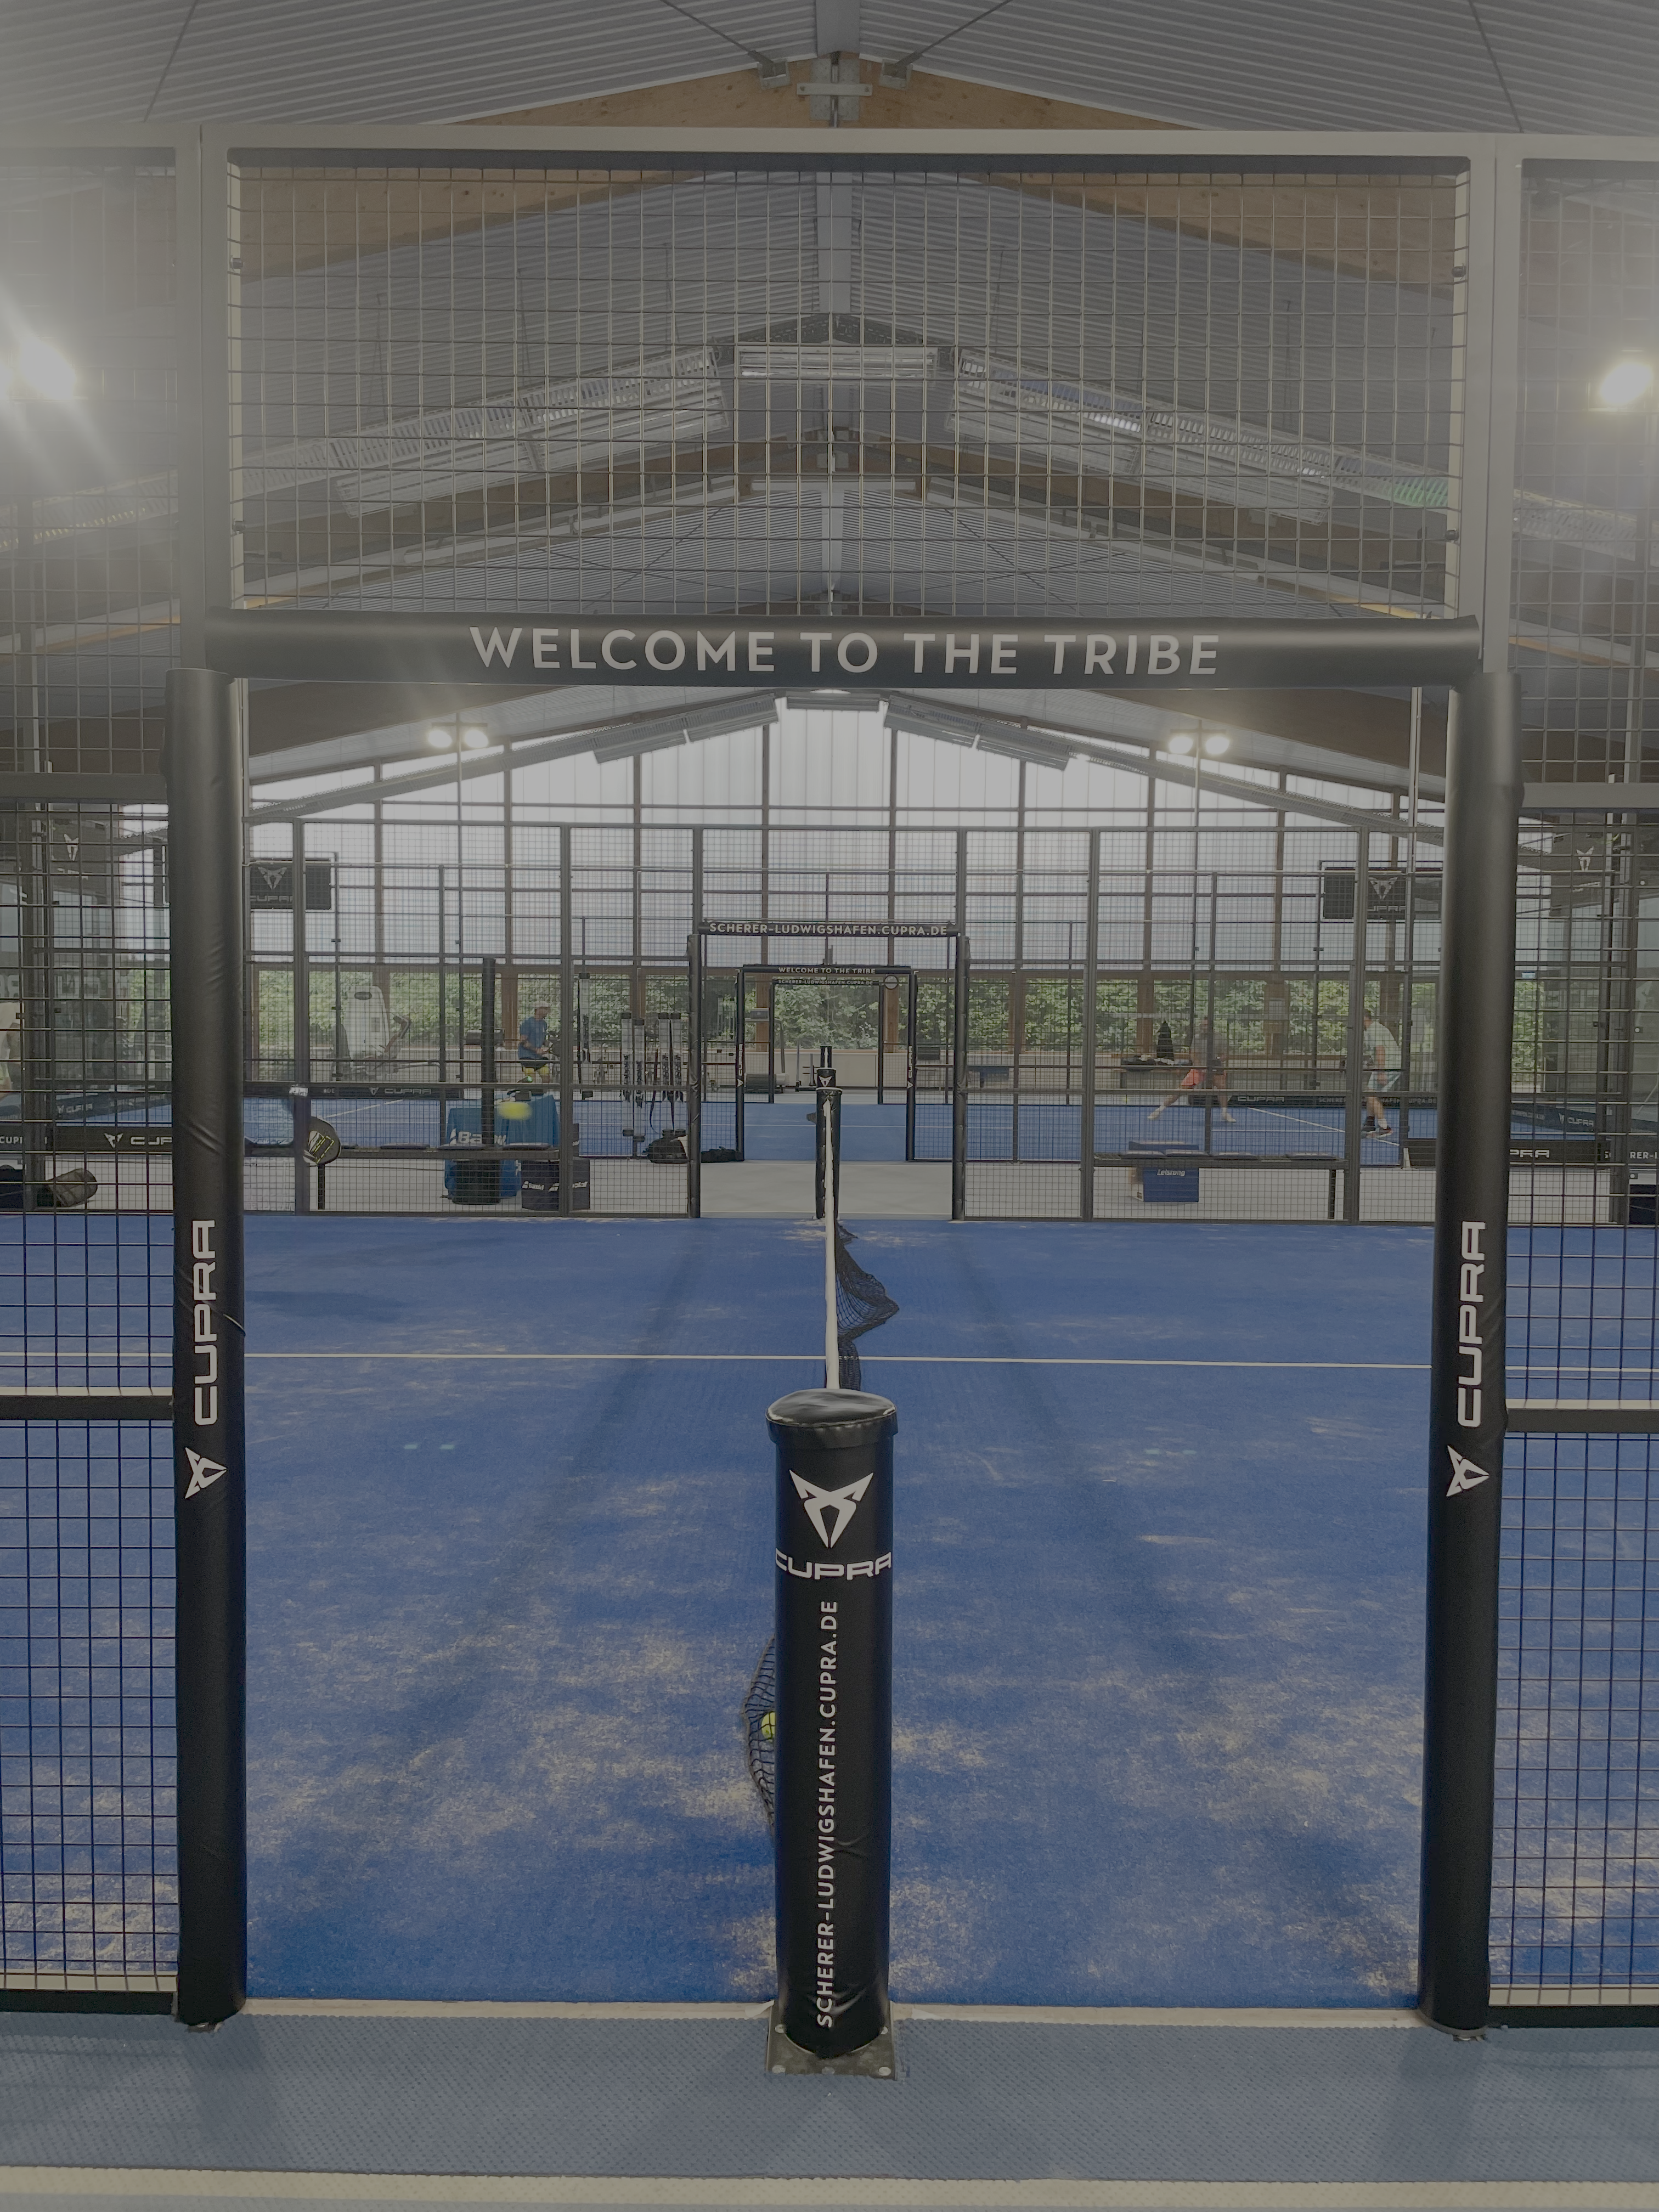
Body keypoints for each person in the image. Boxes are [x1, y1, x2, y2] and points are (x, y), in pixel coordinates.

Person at [1148, 1016, 1235, 1124]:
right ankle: (1159, 1110)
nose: (1203, 1027)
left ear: (1211, 1026)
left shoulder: (1220, 1038)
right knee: (1181, 1090)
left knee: (1223, 1088)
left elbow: (1225, 1055)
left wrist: (1216, 1061)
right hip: (1199, 1069)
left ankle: (1225, 1113)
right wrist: (1200, 1067)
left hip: (1215, 1069)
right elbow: (1193, 1054)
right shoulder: (1197, 1038)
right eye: (1202, 1025)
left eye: (1205, 1025)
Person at [1362, 1007, 1401, 1137]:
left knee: (1371, 1092)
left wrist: (1381, 1071)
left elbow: (1380, 1050)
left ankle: (1384, 1127)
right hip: (1387, 1063)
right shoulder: (1369, 1031)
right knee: (1370, 1091)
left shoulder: (1374, 1030)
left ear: (1363, 1018)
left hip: (1390, 1064)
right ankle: (1370, 1123)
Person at [518, 1002, 552, 1079]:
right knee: (531, 1079)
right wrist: (536, 1050)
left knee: (546, 1077)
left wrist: (552, 1046)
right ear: (538, 1010)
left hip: (538, 1057)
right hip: (526, 1056)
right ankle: (522, 1088)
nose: (547, 1012)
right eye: (546, 1009)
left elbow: (544, 1040)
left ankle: (542, 1091)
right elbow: (523, 1042)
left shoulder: (544, 1024)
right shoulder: (527, 1022)